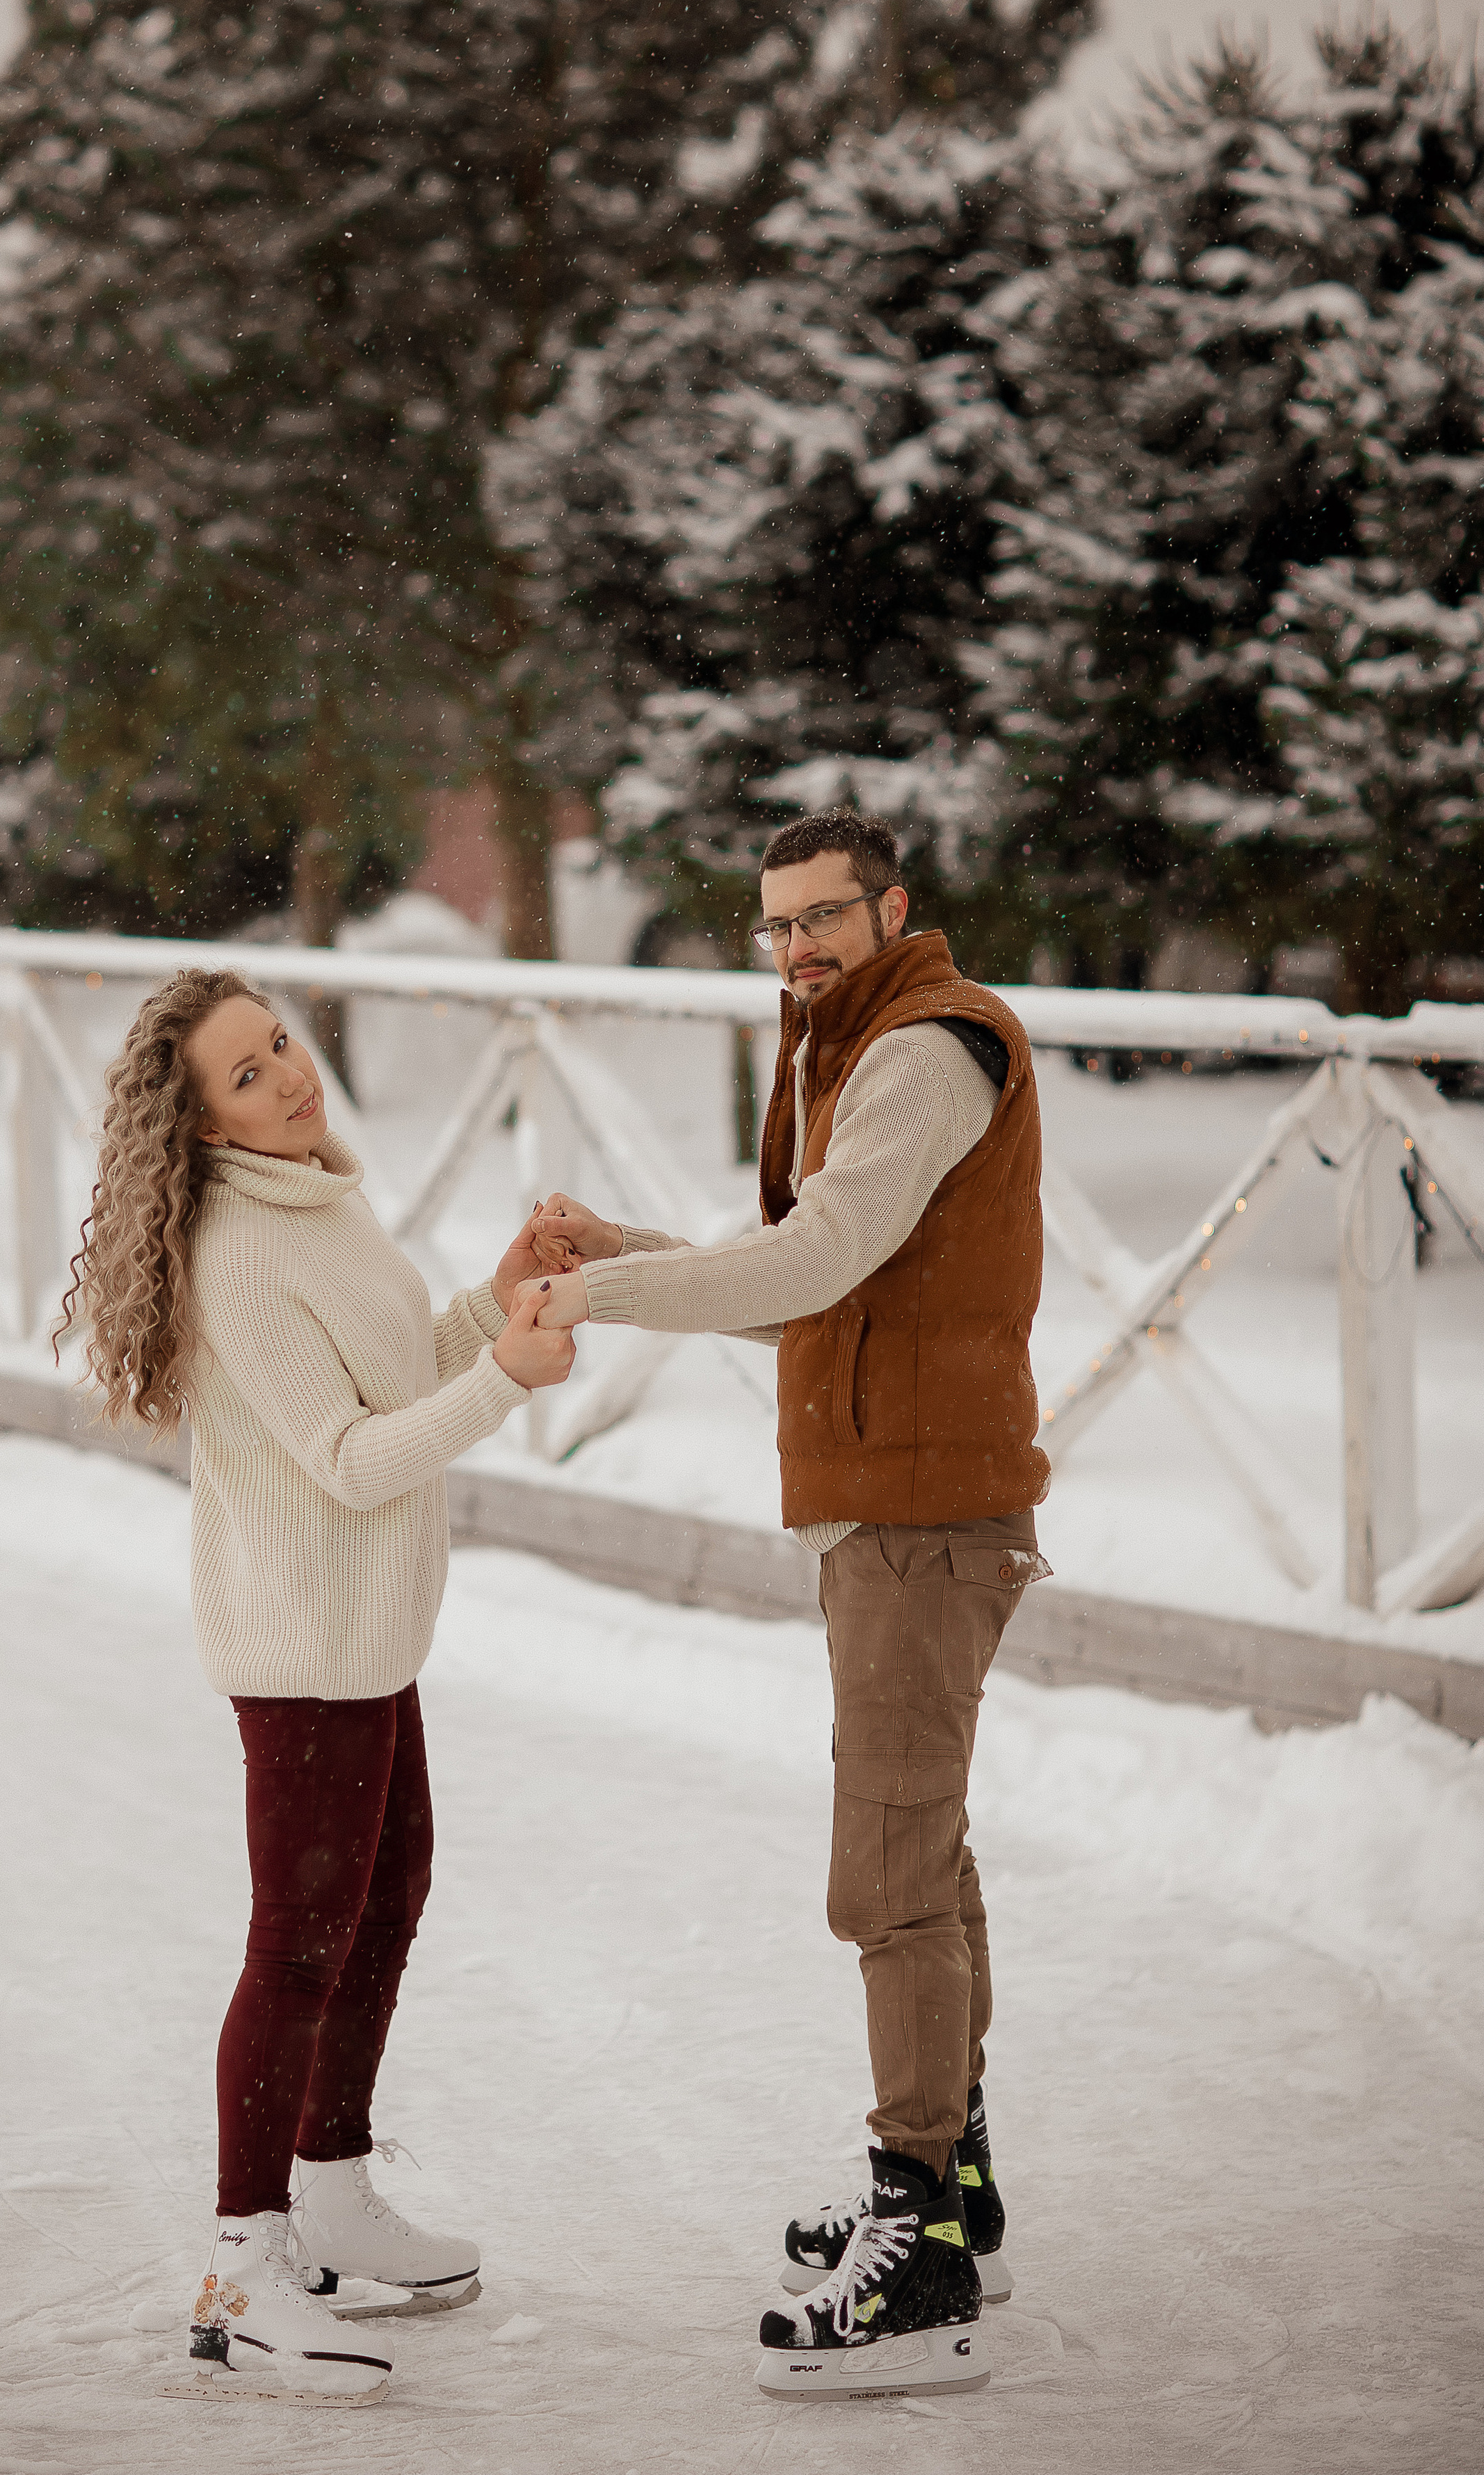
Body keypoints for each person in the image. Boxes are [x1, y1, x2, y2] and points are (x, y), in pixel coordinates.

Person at [529, 809, 1051, 2402]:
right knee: (921, 1848)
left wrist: (595, 1293)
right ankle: (951, 2187)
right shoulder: (851, 1039)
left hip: (920, 1513)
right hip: (894, 1502)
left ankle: (922, 2261)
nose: (798, 946)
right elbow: (822, 1288)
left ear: (895, 907)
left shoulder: (919, 1048)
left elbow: (814, 1261)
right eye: (776, 927)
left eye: (825, 916)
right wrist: (630, 1250)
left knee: (882, 1875)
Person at [61, 968, 575, 2408]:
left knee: (388, 1892)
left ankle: (331, 2187)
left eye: (278, 1042)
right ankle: (241, 2265)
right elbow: (350, 1457)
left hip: (369, 1633)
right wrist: (511, 1383)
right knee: (298, 1938)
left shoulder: (317, 1192)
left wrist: (496, 1293)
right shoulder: (237, 1249)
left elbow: (398, 1368)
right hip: (301, 1645)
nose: (288, 1076)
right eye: (244, 1074)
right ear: (199, 1129)